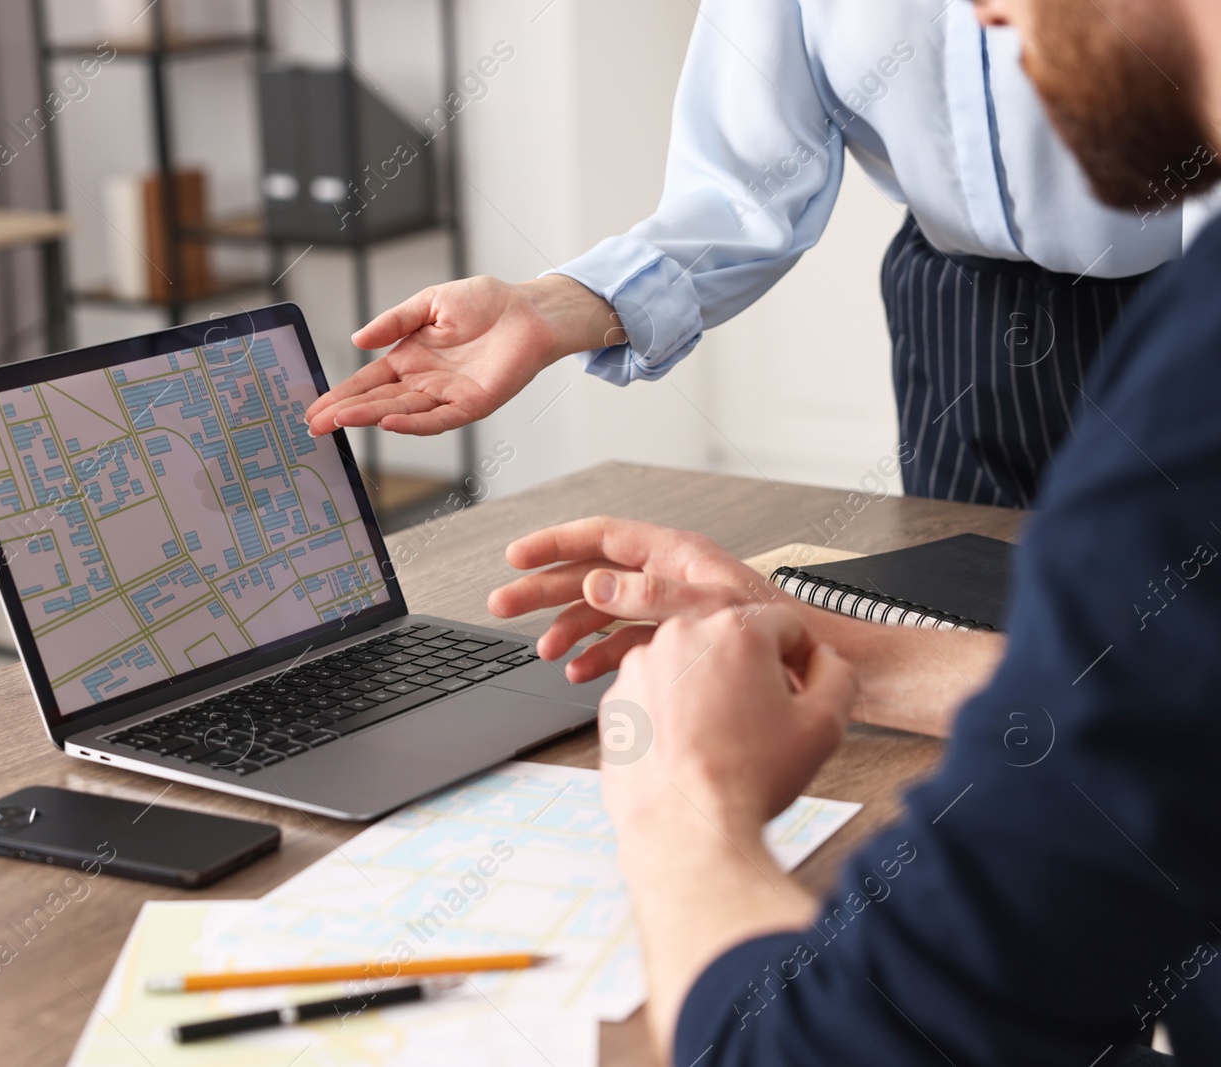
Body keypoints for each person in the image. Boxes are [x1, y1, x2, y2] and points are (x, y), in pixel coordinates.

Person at [480, 0, 1221, 1061]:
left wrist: (683, 811)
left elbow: (838, 1045)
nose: (981, 16)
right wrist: (848, 655)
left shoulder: (1192, 390)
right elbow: (1163, 713)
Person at [305, 0, 1191, 508]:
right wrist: (555, 306)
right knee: (971, 673)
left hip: (1192, 303)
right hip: (963, 325)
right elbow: (748, 184)